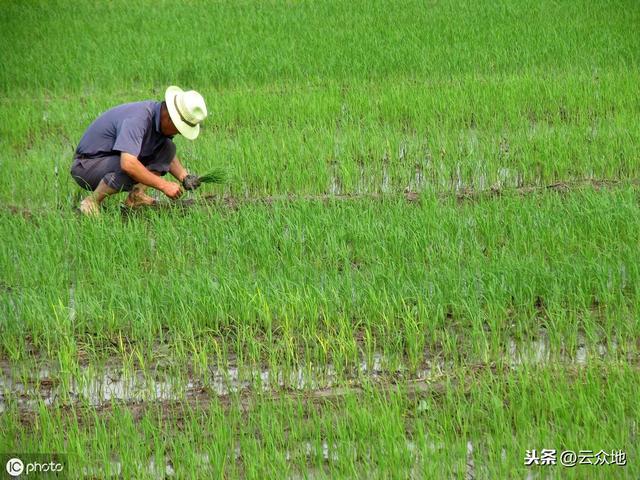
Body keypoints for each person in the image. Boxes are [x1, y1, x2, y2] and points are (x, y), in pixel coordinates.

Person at [70, 86, 206, 216]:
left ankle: (137, 195)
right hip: (87, 164)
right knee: (131, 169)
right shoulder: (138, 119)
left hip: (110, 159)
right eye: (179, 129)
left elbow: (166, 155)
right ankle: (91, 202)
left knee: (168, 147)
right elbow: (128, 164)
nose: (179, 133)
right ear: (170, 118)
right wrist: (164, 186)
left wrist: (184, 177)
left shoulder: (157, 120)